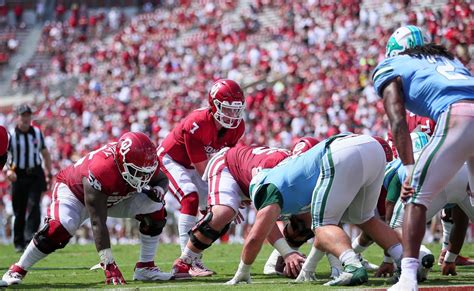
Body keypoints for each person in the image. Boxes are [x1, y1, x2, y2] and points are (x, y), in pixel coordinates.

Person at [372, 25, 474, 290]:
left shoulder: (391, 65)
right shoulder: (447, 58)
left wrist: (407, 168)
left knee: (415, 195)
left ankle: (407, 278)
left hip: (458, 116)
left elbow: (397, 121)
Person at [228, 133, 403, 286]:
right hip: (372, 146)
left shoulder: (268, 189)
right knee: (365, 218)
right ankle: (406, 262)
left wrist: (243, 271)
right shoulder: (285, 179)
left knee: (323, 224)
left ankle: (352, 265)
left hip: (340, 151)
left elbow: (255, 238)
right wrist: (308, 268)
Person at [2, 132, 171, 285]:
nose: (142, 178)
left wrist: (159, 190)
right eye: (136, 172)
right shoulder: (101, 169)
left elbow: (162, 179)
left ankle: (145, 267)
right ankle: (18, 269)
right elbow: (97, 221)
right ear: (122, 160)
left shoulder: (143, 160)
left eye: (146, 173)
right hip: (75, 194)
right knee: (60, 228)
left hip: (112, 196)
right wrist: (108, 264)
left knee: (156, 207)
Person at [158, 79, 246, 276]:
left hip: (198, 166)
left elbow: (226, 160)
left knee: (217, 214)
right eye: (227, 109)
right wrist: (223, 194)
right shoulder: (197, 123)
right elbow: (203, 170)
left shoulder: (237, 128)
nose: (233, 115)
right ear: (214, 105)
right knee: (190, 197)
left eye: (236, 109)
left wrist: (227, 198)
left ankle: (195, 259)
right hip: (173, 159)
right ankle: (185, 262)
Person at [171, 144, 297, 279]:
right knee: (223, 213)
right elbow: (265, 219)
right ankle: (185, 261)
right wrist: (286, 252)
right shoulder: (275, 168)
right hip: (227, 166)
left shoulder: (293, 168)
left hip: (248, 175)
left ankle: (279, 261)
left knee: (303, 222)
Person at [6, 105, 52, 253]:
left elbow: (45, 153)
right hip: (18, 175)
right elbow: (4, 156)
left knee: (34, 206)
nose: (26, 118)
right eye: (23, 115)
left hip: (34, 174)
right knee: (19, 210)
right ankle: (18, 242)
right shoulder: (11, 135)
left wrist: (49, 172)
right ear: (17, 117)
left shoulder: (37, 133)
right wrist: (7, 171)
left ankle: (29, 240)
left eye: (28, 115)